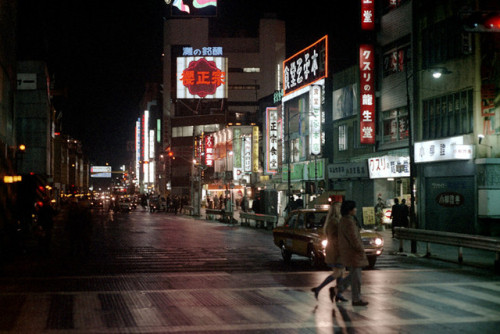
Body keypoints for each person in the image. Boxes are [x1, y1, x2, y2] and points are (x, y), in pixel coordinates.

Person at [310, 202, 348, 302]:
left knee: (341, 272)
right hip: (336, 250)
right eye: (339, 207)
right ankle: (320, 289)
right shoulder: (334, 222)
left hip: (336, 248)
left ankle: (338, 294)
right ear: (336, 210)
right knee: (338, 272)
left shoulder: (334, 221)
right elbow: (336, 236)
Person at [337, 200, 369, 307]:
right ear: (350, 210)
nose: (356, 210)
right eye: (354, 208)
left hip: (348, 252)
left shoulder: (344, 220)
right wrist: (360, 249)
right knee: (356, 278)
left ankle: (338, 289)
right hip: (353, 253)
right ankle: (356, 299)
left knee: (353, 276)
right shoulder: (349, 222)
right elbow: (353, 238)